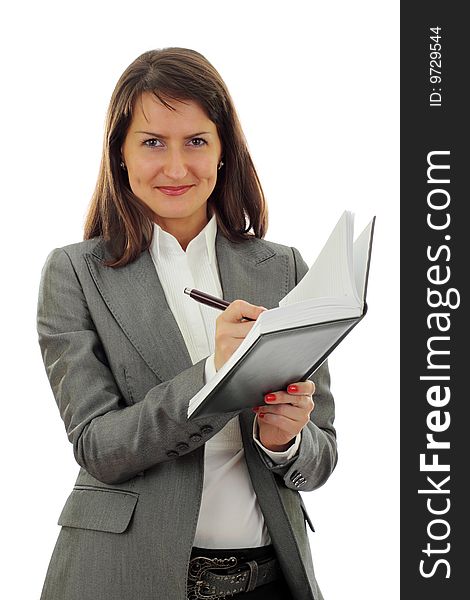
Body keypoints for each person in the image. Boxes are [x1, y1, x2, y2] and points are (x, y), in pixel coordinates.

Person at [36, 47, 337, 600]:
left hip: (268, 580)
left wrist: (285, 443)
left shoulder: (283, 269)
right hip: (123, 579)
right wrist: (214, 375)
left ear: (223, 152)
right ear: (120, 154)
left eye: (196, 141)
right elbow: (98, 447)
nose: (176, 168)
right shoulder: (76, 274)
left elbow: (323, 457)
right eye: (152, 143)